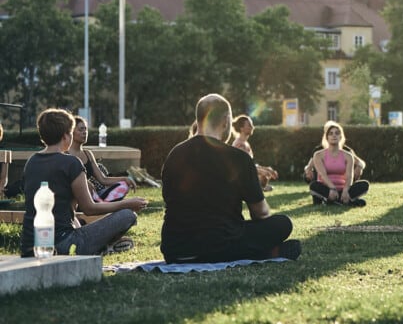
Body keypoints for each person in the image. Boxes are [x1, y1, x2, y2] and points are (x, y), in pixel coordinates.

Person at [161, 93, 300, 263]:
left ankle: (261, 252)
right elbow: (261, 214)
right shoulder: (238, 158)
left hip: (175, 250)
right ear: (226, 120)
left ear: (198, 119)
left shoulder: (174, 154)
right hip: (221, 245)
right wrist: (254, 188)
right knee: (283, 224)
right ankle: (263, 253)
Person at [20, 109, 148, 257]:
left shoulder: (31, 162)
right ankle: (101, 248)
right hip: (64, 245)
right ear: (66, 136)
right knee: (127, 215)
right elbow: (89, 208)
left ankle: (102, 247)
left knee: (78, 222)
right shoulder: (71, 163)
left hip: (30, 246)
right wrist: (128, 203)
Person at [66, 115, 136, 202]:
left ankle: (103, 202)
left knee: (123, 185)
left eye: (85, 129)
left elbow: (103, 179)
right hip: (77, 198)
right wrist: (85, 184)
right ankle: (104, 204)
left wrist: (125, 179)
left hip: (92, 194)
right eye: (81, 129)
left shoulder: (88, 154)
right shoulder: (65, 154)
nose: (84, 132)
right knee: (126, 212)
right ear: (71, 132)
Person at [309, 121, 369, 207]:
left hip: (343, 189)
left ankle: (335, 200)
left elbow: (349, 177)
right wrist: (332, 188)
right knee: (314, 186)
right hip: (327, 188)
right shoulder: (318, 155)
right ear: (326, 137)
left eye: (337, 133)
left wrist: (345, 190)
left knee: (364, 184)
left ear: (341, 137)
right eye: (331, 133)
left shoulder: (348, 155)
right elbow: (322, 175)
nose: (334, 135)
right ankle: (346, 201)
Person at [231, 114, 279, 192]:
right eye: (249, 125)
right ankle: (256, 188)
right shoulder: (239, 144)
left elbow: (250, 164)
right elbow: (244, 168)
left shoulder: (245, 143)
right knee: (263, 174)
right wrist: (264, 171)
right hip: (239, 178)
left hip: (246, 174)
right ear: (241, 128)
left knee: (265, 174)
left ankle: (260, 187)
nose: (252, 127)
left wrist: (267, 169)